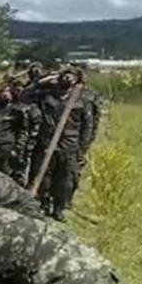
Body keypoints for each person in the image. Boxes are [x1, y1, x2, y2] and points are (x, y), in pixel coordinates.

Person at [28, 70, 87, 220]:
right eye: (65, 74)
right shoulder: (47, 94)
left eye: (72, 75)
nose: (67, 77)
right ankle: (44, 203)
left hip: (69, 144)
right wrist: (43, 81)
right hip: (46, 141)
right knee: (44, 174)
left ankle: (58, 208)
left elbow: (87, 126)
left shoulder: (81, 98)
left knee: (64, 179)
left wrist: (83, 148)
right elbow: (25, 95)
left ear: (77, 79)